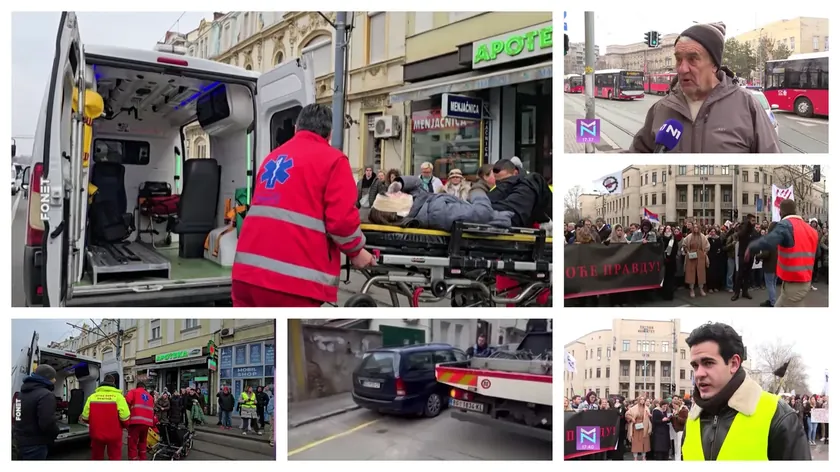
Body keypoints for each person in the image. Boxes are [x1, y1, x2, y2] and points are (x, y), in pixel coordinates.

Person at [232, 103, 376, 307]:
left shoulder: (272, 158)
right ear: (329, 134)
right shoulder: (333, 161)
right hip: (290, 282)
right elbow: (341, 221)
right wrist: (356, 251)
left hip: (245, 276)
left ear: (296, 129)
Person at [626, 23, 780, 153]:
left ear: (714, 65)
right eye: (679, 59)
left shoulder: (748, 106)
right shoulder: (661, 109)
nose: (682, 68)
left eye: (693, 59)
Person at [682, 322, 810, 460]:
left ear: (734, 364)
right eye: (695, 365)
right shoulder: (692, 419)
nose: (699, 374)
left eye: (708, 363)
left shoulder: (778, 415)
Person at [745, 199, 818, 307]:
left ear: (780, 212)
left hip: (794, 284)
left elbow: (769, 240)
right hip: (802, 281)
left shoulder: (786, 225)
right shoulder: (811, 230)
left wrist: (751, 247)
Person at [367, 176, 512, 230]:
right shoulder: (436, 211)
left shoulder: (418, 205)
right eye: (392, 195)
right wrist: (477, 190)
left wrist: (400, 182)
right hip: (502, 221)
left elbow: (417, 183)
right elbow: (482, 213)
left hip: (497, 215)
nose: (397, 192)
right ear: (397, 209)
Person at [14, 365, 61, 460]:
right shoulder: (46, 395)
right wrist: (56, 432)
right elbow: (47, 423)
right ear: (47, 378)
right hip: (36, 444)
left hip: (19, 442)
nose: (55, 380)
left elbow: (17, 415)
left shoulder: (20, 394)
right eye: (53, 377)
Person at [488, 159, 552, 228]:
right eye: (498, 181)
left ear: (515, 173)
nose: (502, 184)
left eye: (506, 181)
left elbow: (514, 213)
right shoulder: (499, 187)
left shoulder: (529, 185)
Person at [80, 374, 130, 460]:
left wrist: (94, 423)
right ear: (113, 383)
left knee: (97, 457)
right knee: (114, 458)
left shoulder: (92, 397)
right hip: (114, 434)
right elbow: (125, 418)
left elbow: (84, 417)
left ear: (102, 383)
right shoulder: (119, 397)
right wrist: (123, 426)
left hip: (96, 434)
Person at [124, 381, 155, 460]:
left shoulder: (133, 392)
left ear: (137, 386)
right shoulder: (150, 397)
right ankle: (142, 458)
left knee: (132, 443)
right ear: (144, 388)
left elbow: (126, 402)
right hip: (147, 423)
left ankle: (133, 459)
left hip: (136, 422)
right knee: (143, 441)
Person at [732, 214, 760, 301]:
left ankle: (745, 291)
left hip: (750, 256)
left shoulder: (754, 232)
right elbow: (740, 235)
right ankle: (736, 293)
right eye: (752, 221)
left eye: (754, 221)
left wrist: (757, 255)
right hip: (742, 255)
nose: (754, 223)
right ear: (748, 221)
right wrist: (747, 225)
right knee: (739, 275)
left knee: (747, 275)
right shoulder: (743, 229)